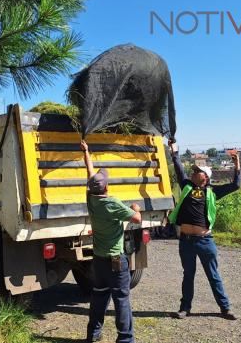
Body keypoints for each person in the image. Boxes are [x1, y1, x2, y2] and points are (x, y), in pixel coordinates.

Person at [167, 140, 241, 320]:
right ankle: (185, 308)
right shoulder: (187, 186)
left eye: (197, 171)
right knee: (188, 276)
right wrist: (173, 150)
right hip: (186, 241)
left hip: (204, 241)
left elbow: (236, 185)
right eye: (193, 171)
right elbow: (178, 168)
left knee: (213, 276)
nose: (193, 173)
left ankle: (225, 308)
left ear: (205, 177)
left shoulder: (213, 192)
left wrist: (236, 163)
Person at [81, 140, 142, 343]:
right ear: (106, 186)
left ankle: (93, 334)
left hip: (99, 260)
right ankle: (125, 339)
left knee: (99, 297)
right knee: (121, 299)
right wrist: (136, 208)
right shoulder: (112, 203)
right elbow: (136, 219)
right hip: (116, 261)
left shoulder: (91, 200)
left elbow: (89, 176)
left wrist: (86, 152)